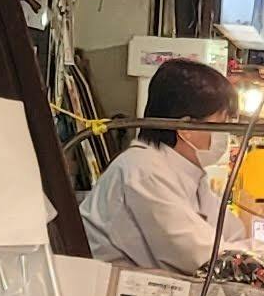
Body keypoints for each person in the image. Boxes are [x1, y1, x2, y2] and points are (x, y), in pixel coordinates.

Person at [83, 56, 236, 273]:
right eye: (220, 124)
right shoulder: (143, 171)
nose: (225, 135)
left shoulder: (187, 176)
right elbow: (202, 257)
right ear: (186, 128)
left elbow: (234, 232)